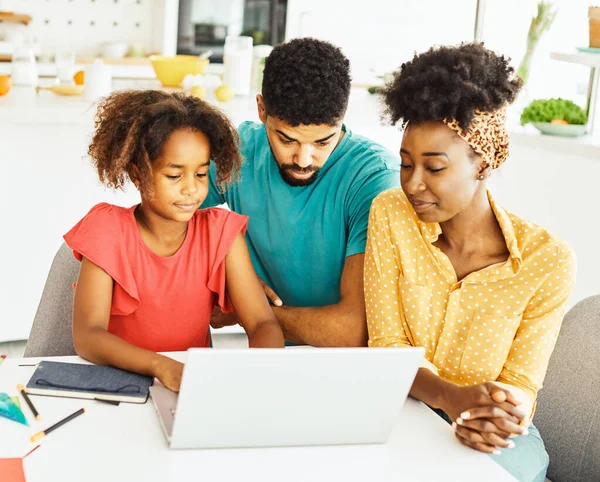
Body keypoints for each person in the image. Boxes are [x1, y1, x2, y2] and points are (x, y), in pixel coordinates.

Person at [364, 43, 576, 482]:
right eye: (405, 165)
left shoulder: (546, 261)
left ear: (482, 163)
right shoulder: (390, 214)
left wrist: (491, 417)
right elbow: (388, 346)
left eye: (434, 168)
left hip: (493, 427)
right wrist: (448, 397)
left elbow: (521, 381)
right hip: (400, 411)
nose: (413, 184)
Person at [64, 90, 284, 392]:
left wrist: (257, 376)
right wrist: (161, 367)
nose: (191, 190)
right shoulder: (108, 230)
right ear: (138, 174)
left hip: (191, 389)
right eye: (174, 176)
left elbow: (262, 324)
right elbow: (88, 335)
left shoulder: (222, 234)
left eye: (202, 173)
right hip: (119, 388)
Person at [203, 38, 400, 347]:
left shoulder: (375, 178)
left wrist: (247, 306)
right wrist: (218, 273)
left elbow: (353, 331)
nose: (303, 159)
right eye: (287, 139)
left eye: (323, 142)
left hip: (346, 363)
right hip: (263, 348)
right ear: (262, 110)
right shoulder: (239, 150)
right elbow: (162, 223)